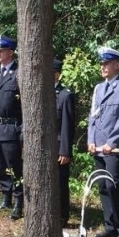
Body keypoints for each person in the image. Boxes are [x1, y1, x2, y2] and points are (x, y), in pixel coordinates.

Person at [87, 46, 119, 237]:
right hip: (98, 145)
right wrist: (91, 140)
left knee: (113, 184)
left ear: (117, 65)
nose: (103, 67)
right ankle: (110, 226)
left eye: (106, 63)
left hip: (113, 147)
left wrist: (111, 143)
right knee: (102, 185)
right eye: (101, 63)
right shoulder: (99, 88)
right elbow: (93, 116)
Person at [0, 35, 24, 220]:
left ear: (10, 52)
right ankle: (5, 198)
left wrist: (22, 130)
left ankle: (18, 201)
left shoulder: (18, 73)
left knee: (14, 167)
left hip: (12, 129)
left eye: (1, 51)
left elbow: (25, 105)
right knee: (0, 167)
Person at [54, 58, 76, 225]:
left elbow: (67, 126)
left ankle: (62, 216)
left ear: (57, 75)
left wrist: (65, 151)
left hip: (59, 145)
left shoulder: (65, 95)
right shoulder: (41, 93)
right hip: (43, 146)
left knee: (60, 183)